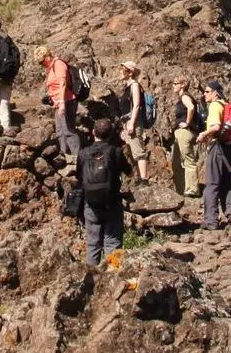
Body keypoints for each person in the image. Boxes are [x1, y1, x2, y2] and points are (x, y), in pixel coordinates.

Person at [76, 117, 129, 265]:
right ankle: (114, 279)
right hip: (112, 202)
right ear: (111, 134)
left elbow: (79, 177)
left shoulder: (83, 153)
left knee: (93, 244)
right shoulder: (115, 151)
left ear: (93, 132)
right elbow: (129, 171)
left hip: (91, 203)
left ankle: (91, 281)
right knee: (113, 243)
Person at [194, 80, 231, 230]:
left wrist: (203, 134)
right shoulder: (225, 104)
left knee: (211, 185)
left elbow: (216, 127)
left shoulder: (215, 106)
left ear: (215, 93)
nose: (204, 94)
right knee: (226, 184)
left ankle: (211, 221)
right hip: (230, 149)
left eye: (207, 91)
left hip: (217, 148)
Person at [38, 45, 81, 158]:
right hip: (59, 102)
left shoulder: (58, 64)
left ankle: (77, 157)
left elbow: (62, 84)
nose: (42, 65)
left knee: (68, 130)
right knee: (60, 131)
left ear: (47, 56)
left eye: (42, 62)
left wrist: (61, 103)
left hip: (67, 101)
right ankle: (64, 155)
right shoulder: (51, 67)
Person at [117, 61, 151, 182]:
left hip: (134, 122)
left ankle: (144, 179)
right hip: (128, 122)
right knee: (133, 150)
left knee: (138, 150)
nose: (120, 72)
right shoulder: (127, 87)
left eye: (122, 69)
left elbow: (136, 105)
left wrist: (131, 123)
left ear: (130, 73)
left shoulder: (134, 85)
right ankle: (140, 177)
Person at [169, 76, 202, 199]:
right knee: (177, 161)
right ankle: (183, 189)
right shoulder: (184, 97)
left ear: (182, 85)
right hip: (184, 132)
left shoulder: (184, 96)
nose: (173, 85)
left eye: (175, 83)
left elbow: (191, 108)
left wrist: (187, 123)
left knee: (188, 161)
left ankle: (192, 190)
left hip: (185, 132)